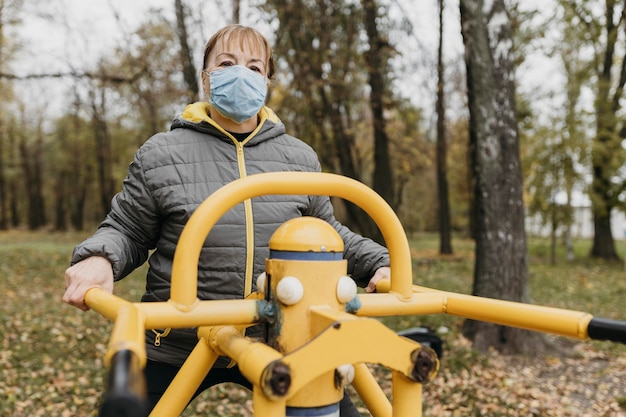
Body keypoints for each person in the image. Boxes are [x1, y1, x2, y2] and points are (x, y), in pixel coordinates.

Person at [63, 24, 390, 416]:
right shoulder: (162, 153)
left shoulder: (298, 158)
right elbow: (128, 229)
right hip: (179, 338)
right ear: (206, 78)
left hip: (280, 336)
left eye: (254, 67)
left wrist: (381, 261)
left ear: (267, 80)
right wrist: (99, 258)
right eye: (227, 63)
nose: (242, 74)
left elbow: (325, 233)